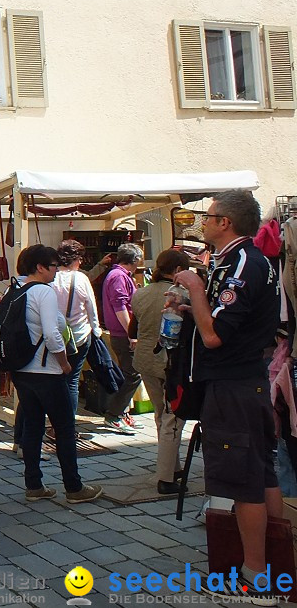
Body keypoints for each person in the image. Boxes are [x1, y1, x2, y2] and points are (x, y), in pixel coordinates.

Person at [174, 191, 282, 603]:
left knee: (243, 479)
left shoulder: (240, 262)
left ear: (225, 223)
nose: (203, 221)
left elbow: (215, 336)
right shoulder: (247, 259)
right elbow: (223, 323)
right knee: (261, 470)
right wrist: (191, 307)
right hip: (245, 381)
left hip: (233, 386)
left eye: (209, 215)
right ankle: (274, 558)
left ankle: (254, 576)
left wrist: (195, 289)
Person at [11, 244, 103, 504]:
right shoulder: (43, 292)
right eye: (53, 266)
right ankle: (74, 488)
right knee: (64, 428)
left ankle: (34, 485)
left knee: (32, 427)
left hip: (22, 370)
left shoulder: (13, 289)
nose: (56, 271)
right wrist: (64, 363)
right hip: (47, 371)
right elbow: (52, 333)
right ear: (40, 267)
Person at [130, 248, 190, 495]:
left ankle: (172, 467)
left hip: (146, 358)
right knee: (173, 418)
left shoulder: (140, 293)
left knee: (161, 414)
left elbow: (133, 329)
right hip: (171, 361)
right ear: (178, 270)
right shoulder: (183, 295)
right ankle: (166, 477)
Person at [52, 240, 102, 423]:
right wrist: (96, 330)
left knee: (55, 380)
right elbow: (91, 307)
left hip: (55, 337)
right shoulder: (81, 278)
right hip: (79, 336)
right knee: (72, 381)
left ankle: (55, 421)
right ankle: (67, 424)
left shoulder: (51, 278)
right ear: (77, 259)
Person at [101, 243, 145, 434]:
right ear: (135, 260)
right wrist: (131, 334)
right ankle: (114, 414)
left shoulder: (119, 275)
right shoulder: (118, 277)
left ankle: (122, 413)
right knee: (132, 375)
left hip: (121, 332)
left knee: (127, 374)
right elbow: (120, 306)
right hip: (122, 334)